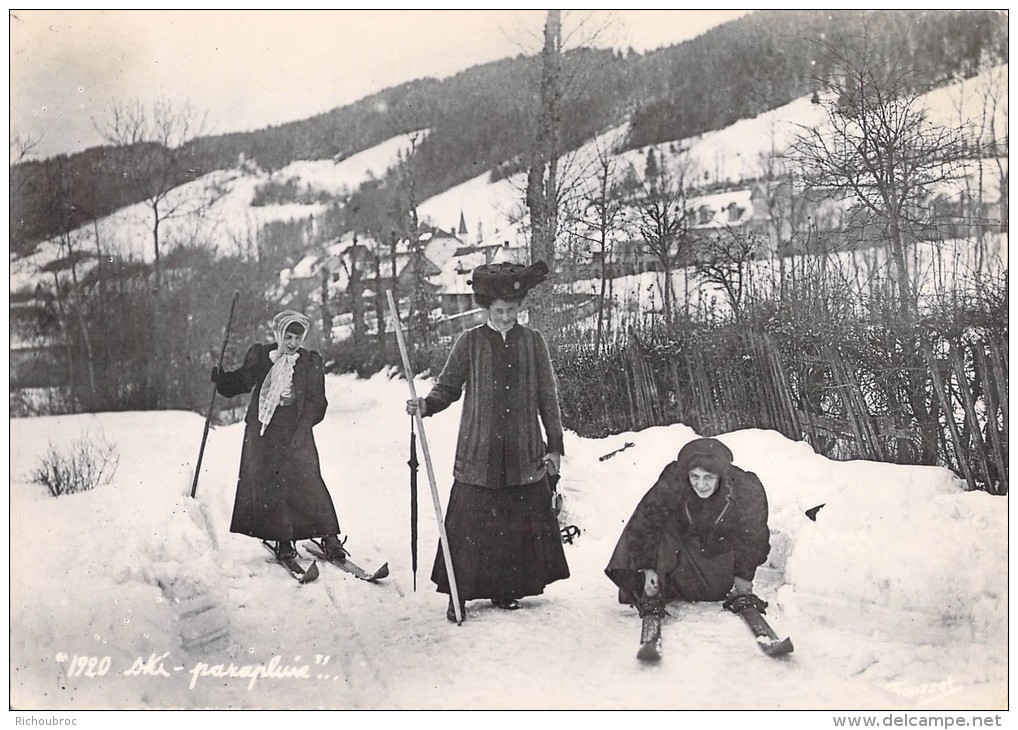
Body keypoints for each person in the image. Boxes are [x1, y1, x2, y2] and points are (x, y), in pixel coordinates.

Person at [405, 261, 570, 621]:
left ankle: (505, 589)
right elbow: (447, 387)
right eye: (499, 311)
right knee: (470, 523)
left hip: (524, 449)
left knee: (514, 520)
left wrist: (554, 446)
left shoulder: (534, 342)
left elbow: (548, 396)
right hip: (480, 450)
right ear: (486, 310)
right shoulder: (471, 342)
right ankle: (458, 593)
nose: (507, 317)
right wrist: (426, 405)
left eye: (512, 310)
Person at [211, 310, 348, 562]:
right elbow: (241, 381)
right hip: (264, 429)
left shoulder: (309, 361)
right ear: (278, 334)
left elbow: (318, 401)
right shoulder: (263, 356)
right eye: (288, 336)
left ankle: (329, 536)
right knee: (271, 482)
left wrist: (304, 425)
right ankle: (283, 539)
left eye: (298, 337)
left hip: (297, 427)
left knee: (309, 480)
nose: (293, 343)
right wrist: (222, 380)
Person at [605, 437, 770, 617]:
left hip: (713, 554)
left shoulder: (745, 487)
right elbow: (646, 523)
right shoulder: (673, 480)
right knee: (662, 522)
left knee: (713, 592)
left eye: (708, 478)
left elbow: (754, 535)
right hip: (676, 549)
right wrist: (647, 568)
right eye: (695, 477)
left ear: (720, 476)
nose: (701, 485)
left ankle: (674, 584)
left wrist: (743, 576)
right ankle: (654, 590)